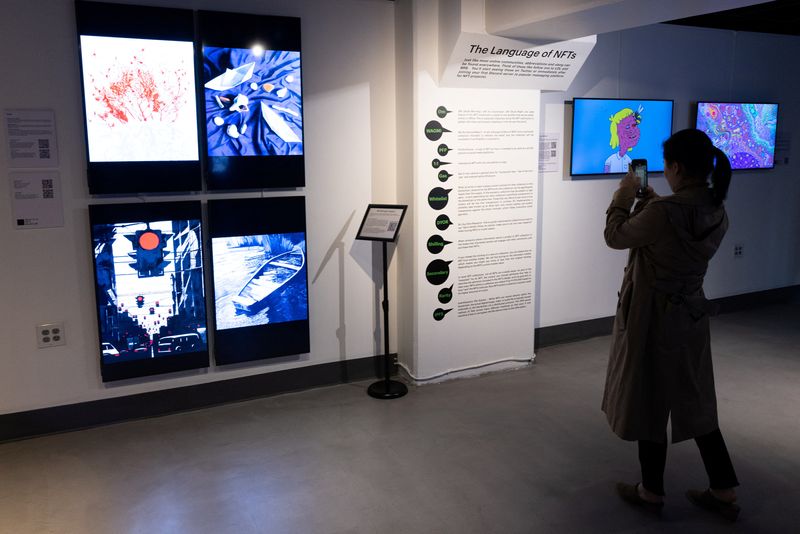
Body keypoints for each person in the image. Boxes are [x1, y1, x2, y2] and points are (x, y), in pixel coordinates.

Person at [601, 128, 740, 521]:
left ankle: (651, 492)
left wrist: (625, 194)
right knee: (696, 403)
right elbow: (680, 226)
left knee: (649, 401)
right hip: (691, 316)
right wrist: (658, 202)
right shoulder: (716, 209)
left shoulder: (663, 214)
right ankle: (724, 490)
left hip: (653, 318)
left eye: (668, 166)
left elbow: (615, 236)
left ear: (677, 167)